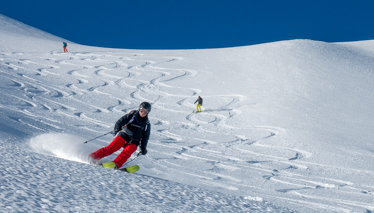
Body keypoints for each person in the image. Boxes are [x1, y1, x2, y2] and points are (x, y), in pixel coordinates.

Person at [89, 102, 151, 169]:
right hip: (124, 136)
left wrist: (143, 148)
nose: (143, 113)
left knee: (127, 153)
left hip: (134, 142)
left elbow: (145, 137)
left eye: (145, 112)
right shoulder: (132, 115)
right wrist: (117, 128)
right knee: (111, 148)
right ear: (139, 109)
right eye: (142, 110)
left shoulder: (147, 124)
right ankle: (93, 157)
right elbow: (120, 121)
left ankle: (115, 164)